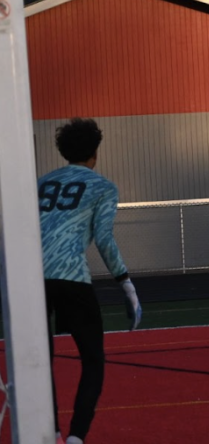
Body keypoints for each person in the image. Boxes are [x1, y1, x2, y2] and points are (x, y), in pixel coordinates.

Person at [39, 118, 142, 444]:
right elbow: (103, 238)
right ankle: (76, 437)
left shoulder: (41, 183)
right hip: (72, 275)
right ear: (94, 152)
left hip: (33, 278)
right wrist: (124, 281)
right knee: (93, 360)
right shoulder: (102, 186)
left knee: (40, 360)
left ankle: (50, 430)